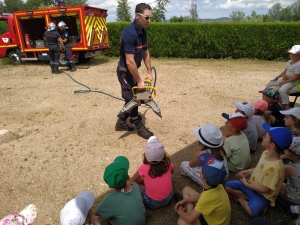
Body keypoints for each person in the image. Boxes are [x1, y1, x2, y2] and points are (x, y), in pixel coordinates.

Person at [225, 123, 293, 217]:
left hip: (263, 196)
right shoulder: (265, 153)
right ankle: (249, 197)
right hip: (252, 186)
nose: (263, 137)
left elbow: (264, 189)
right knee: (227, 186)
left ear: (272, 145)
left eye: (265, 136)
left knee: (252, 211)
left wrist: (246, 184)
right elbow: (260, 168)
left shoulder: (275, 168)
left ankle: (241, 199)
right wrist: (249, 171)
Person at [115, 3, 154, 139]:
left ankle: (121, 122)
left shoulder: (142, 31)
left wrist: (149, 72)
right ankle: (139, 127)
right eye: (147, 18)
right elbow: (130, 61)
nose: (149, 21)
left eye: (150, 18)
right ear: (137, 16)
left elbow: (146, 53)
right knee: (133, 98)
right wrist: (139, 80)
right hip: (125, 71)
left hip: (132, 69)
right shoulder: (129, 33)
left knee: (131, 98)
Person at [174, 153, 231, 225]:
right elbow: (202, 195)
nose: (199, 166)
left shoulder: (207, 197)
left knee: (181, 222)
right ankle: (191, 213)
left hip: (211, 222)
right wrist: (184, 201)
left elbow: (190, 220)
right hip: (212, 214)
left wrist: (179, 209)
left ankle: (190, 214)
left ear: (202, 176)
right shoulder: (218, 185)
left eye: (201, 167)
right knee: (186, 189)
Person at [95, 156, 145, 225]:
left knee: (102, 220)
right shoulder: (135, 186)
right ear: (128, 177)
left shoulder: (110, 199)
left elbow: (96, 213)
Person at [130, 136, 174, 209]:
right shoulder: (168, 163)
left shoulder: (143, 167)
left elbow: (132, 181)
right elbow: (172, 171)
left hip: (152, 202)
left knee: (138, 186)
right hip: (169, 198)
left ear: (146, 154)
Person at [266, 45, 300, 110]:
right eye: (291, 54)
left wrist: (286, 81)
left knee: (282, 90)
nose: (292, 56)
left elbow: (296, 77)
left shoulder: (299, 65)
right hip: (285, 80)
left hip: (293, 82)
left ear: (299, 55)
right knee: (269, 84)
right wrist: (276, 78)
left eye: (294, 54)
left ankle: (286, 106)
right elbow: (284, 72)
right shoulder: (288, 62)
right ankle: (268, 100)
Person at [279, 137, 300, 211]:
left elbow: (278, 178)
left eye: (287, 149)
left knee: (275, 185)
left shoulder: (291, 168)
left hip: (294, 199)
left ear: (296, 156)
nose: (284, 150)